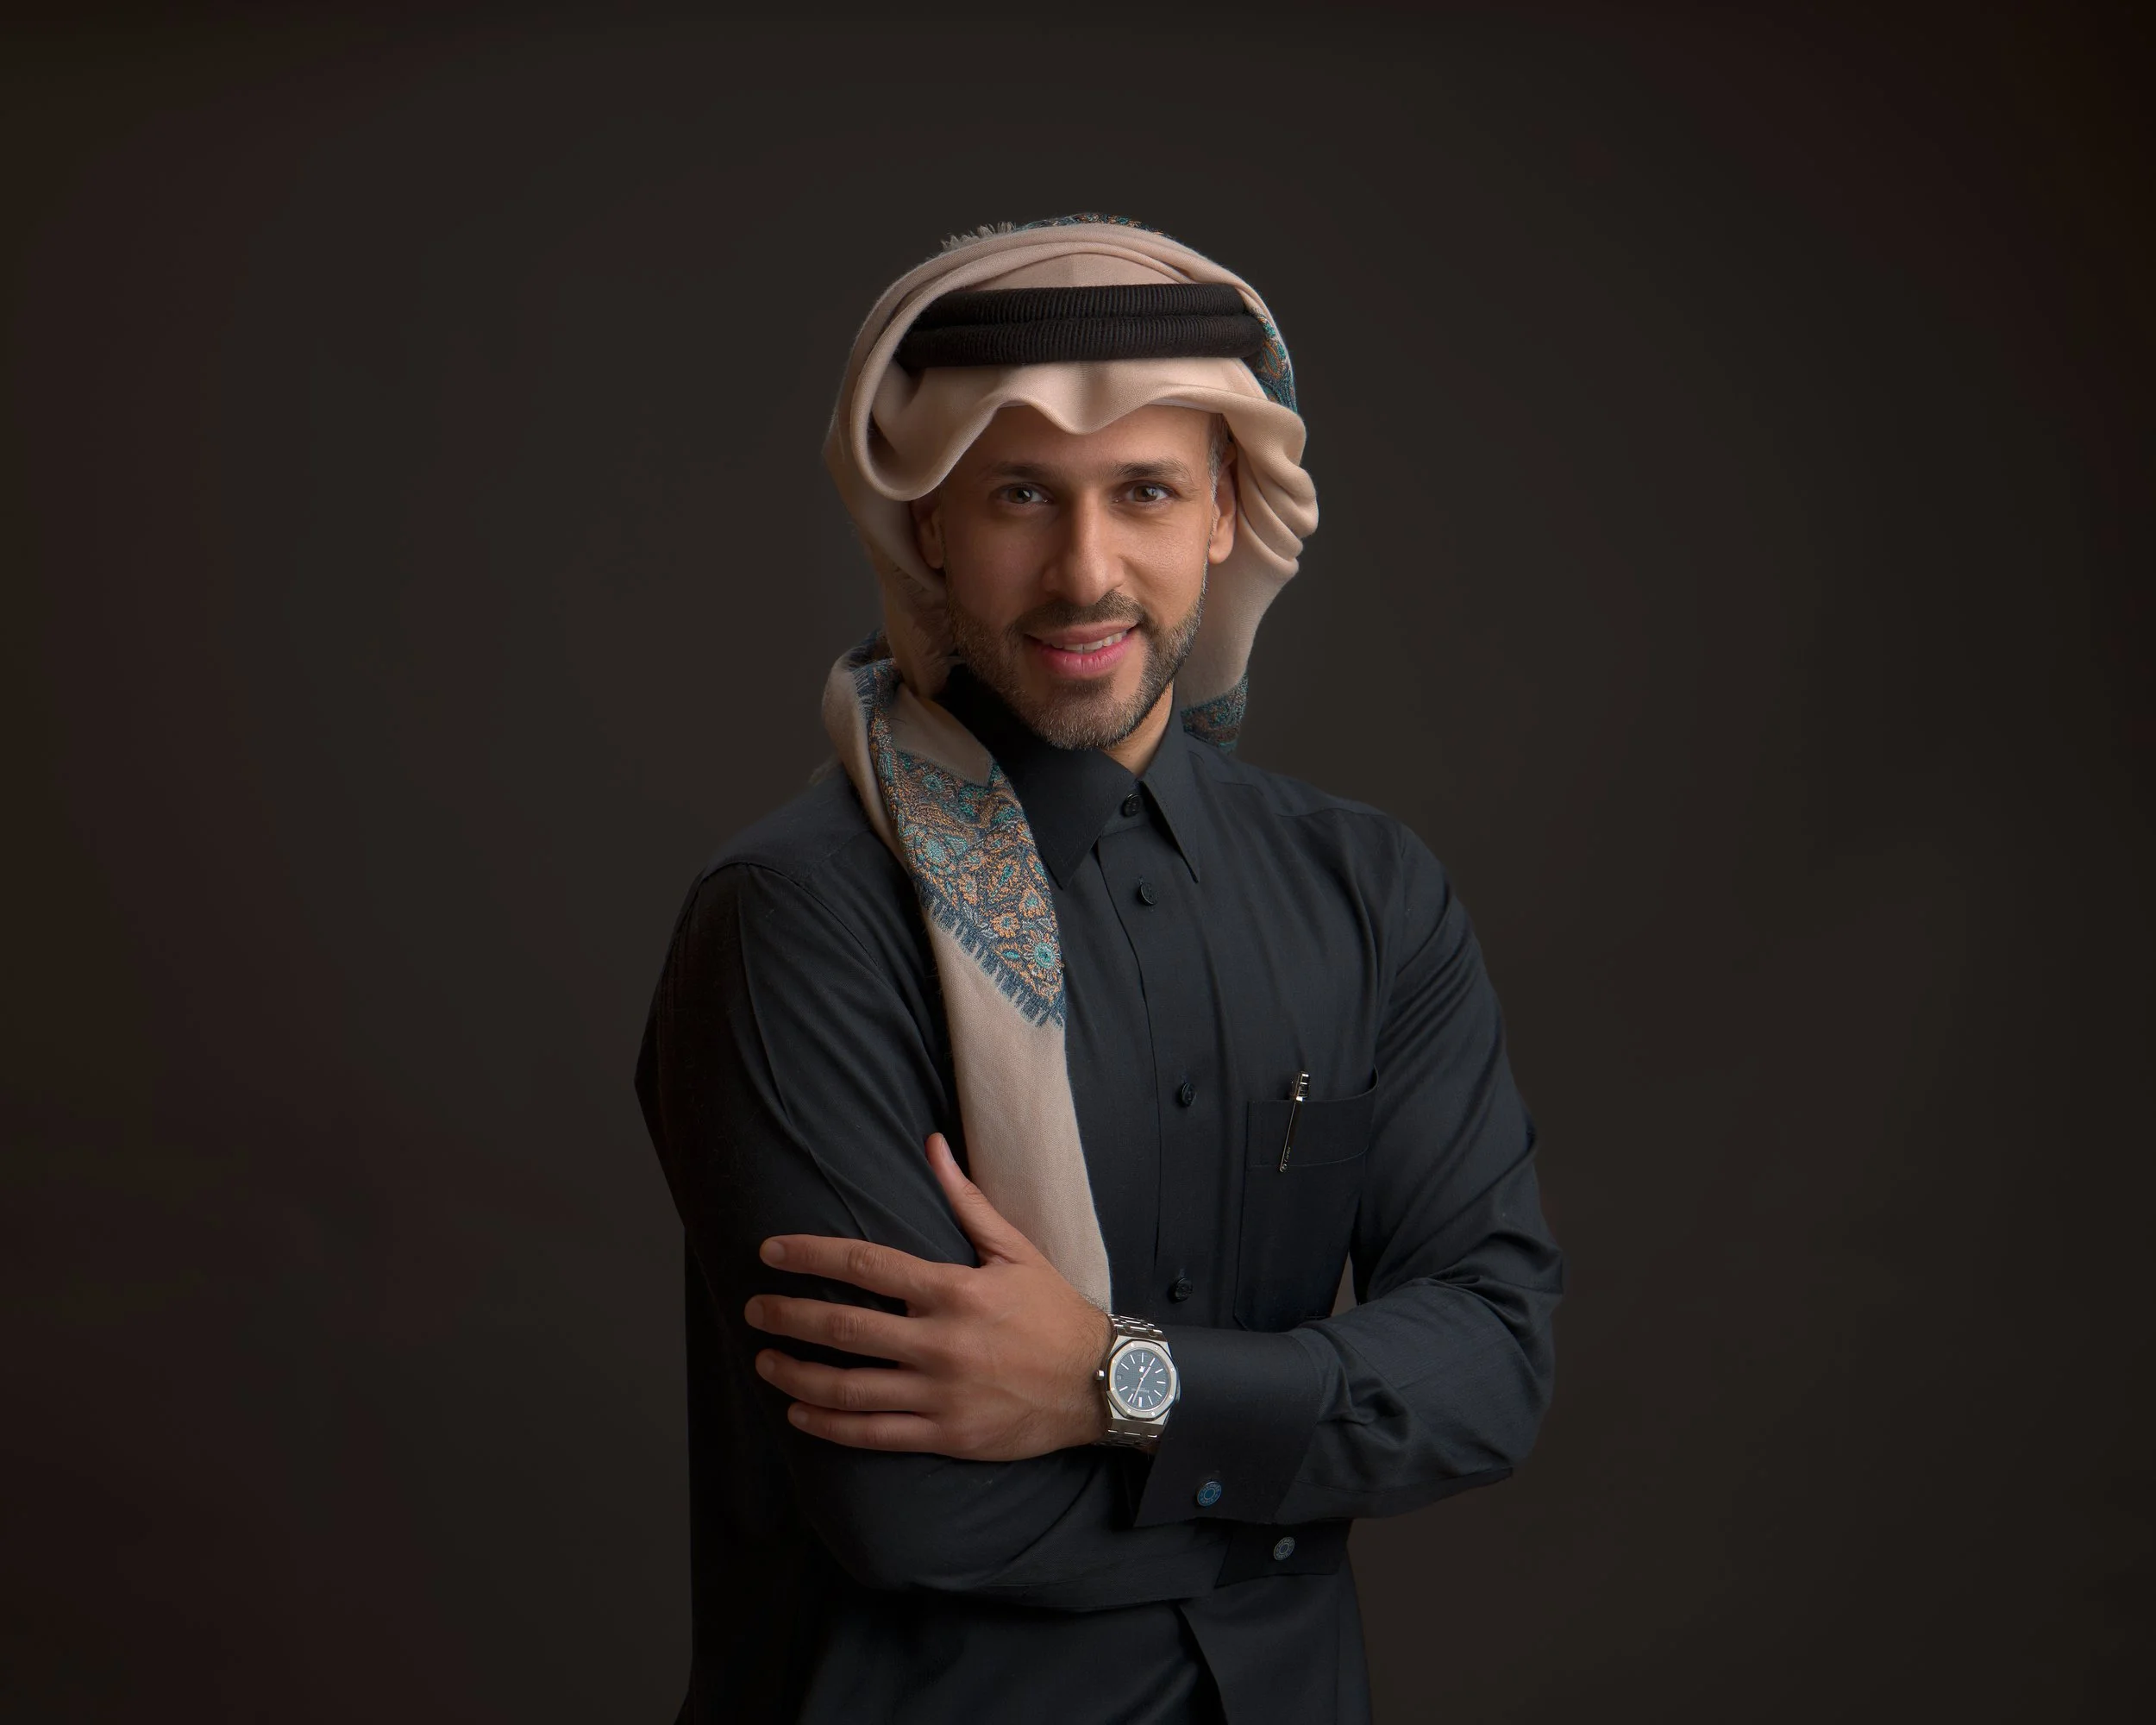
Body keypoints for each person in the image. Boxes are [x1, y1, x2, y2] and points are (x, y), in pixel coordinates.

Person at [636, 216, 1564, 1725]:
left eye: (1144, 491)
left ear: (1225, 511)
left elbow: (1496, 1365)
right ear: (930, 525)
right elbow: (918, 1512)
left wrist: (1108, 1382)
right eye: (1021, 495)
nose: (1086, 573)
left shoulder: (1369, 892)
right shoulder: (797, 921)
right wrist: (1296, 1474)